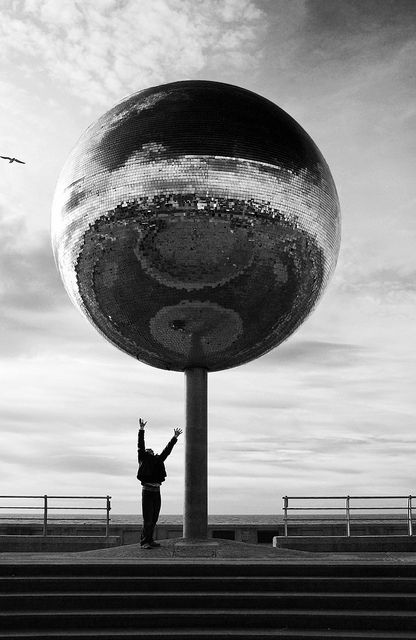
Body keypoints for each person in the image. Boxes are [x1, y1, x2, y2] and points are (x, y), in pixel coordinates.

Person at [137, 417, 182, 548]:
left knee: (154, 518)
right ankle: (144, 541)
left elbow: (167, 451)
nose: (149, 451)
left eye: (151, 450)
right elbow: (141, 444)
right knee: (148, 518)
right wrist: (141, 429)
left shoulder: (158, 460)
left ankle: (149, 540)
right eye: (147, 451)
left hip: (157, 491)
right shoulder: (143, 458)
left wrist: (174, 438)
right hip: (147, 491)